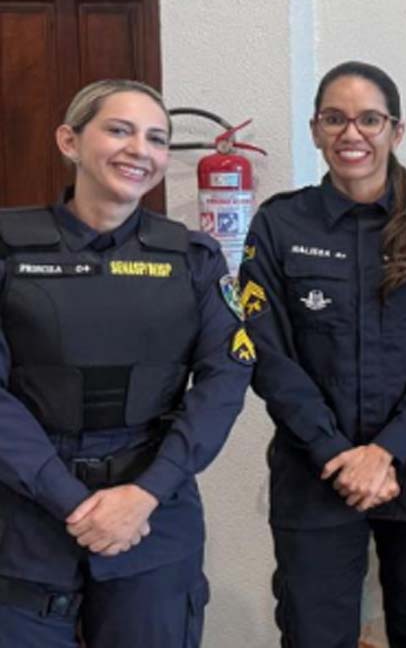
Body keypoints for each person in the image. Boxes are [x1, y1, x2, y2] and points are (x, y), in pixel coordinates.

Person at [0, 79, 252, 646]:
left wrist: (145, 495)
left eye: (157, 139)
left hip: (152, 514)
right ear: (69, 140)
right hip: (23, 518)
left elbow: (225, 379)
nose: (140, 150)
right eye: (119, 130)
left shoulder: (194, 258)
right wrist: (74, 503)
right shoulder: (7, 250)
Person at [241, 61, 406, 648]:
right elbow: (268, 355)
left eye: (369, 120)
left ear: (396, 131)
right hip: (314, 475)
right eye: (335, 119)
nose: (352, 134)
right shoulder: (278, 225)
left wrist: (387, 451)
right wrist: (337, 454)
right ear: (315, 130)